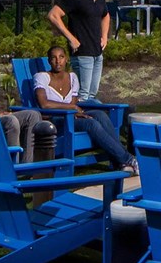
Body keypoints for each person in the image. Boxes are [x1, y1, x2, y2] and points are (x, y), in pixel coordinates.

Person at [33, 46, 138, 174]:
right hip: (54, 121)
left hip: (71, 117)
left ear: (66, 59)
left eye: (61, 57)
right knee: (91, 123)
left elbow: (73, 102)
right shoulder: (42, 77)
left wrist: (74, 111)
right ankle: (128, 159)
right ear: (49, 61)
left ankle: (120, 161)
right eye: (53, 58)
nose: (58, 61)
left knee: (100, 115)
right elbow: (44, 104)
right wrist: (71, 108)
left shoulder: (72, 78)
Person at [48, 0, 110, 101]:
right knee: (83, 95)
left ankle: (90, 119)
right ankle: (79, 121)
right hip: (82, 54)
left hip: (97, 54)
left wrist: (104, 37)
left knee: (92, 94)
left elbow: (106, 16)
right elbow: (53, 15)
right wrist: (71, 38)